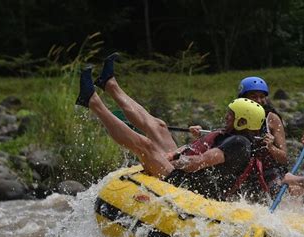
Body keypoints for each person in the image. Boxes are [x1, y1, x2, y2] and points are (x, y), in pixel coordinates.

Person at [75, 53, 266, 201]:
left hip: (186, 185)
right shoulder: (231, 134)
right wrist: (177, 153)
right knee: (159, 126)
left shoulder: (239, 143)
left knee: (147, 146)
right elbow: (194, 151)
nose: (226, 116)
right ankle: (110, 85)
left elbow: (196, 163)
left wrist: (172, 159)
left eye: (231, 115)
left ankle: (93, 102)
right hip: (185, 174)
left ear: (242, 121)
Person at [191, 76, 288, 198]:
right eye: (253, 96)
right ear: (243, 99)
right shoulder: (238, 115)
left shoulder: (272, 119)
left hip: (269, 172)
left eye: (262, 96)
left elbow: (284, 159)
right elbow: (221, 139)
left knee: (274, 191)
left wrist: (271, 147)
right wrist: (200, 136)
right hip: (242, 170)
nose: (259, 100)